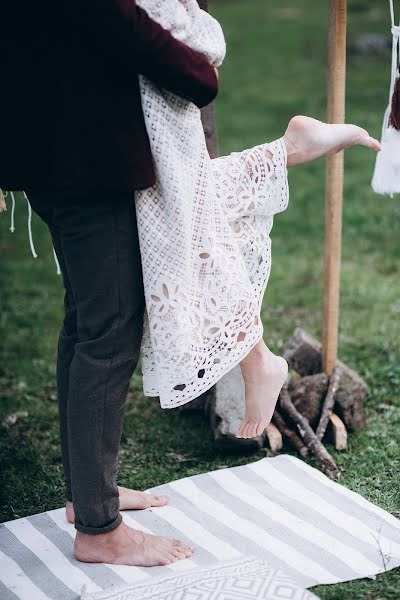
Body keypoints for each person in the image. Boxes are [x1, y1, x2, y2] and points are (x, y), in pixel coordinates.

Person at [0, 0, 380, 569]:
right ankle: (100, 528)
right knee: (108, 334)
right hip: (82, 150)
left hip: (59, 141)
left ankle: (90, 497)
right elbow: (117, 20)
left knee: (89, 321)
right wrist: (200, 73)